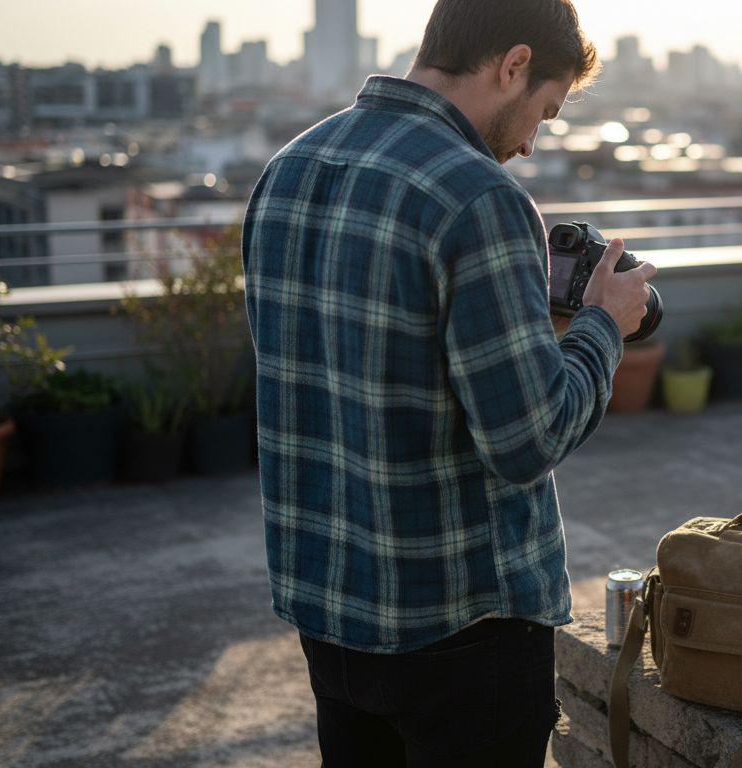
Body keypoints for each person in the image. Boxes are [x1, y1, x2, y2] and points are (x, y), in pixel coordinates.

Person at [240, 0, 655, 765]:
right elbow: (528, 439)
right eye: (545, 112)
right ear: (514, 64)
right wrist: (603, 323)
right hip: (462, 632)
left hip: (330, 617)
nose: (532, 144)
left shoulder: (288, 169)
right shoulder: (480, 198)